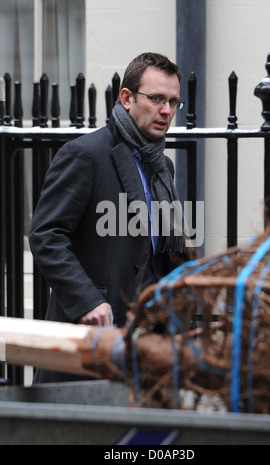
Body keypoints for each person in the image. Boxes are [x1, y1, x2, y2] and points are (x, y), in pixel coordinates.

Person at [29, 52, 188, 383]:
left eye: (173, 102)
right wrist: (88, 302)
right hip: (91, 333)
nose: (166, 111)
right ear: (127, 98)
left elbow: (162, 252)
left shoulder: (162, 167)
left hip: (147, 336)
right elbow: (46, 236)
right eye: (157, 98)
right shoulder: (86, 155)